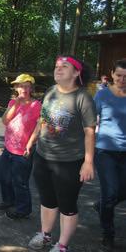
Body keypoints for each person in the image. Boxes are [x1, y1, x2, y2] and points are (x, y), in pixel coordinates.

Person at [25, 55, 96, 252]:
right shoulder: (50, 92)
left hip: (69, 161)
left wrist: (88, 162)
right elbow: (43, 120)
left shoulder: (83, 97)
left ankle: (62, 245)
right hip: (43, 156)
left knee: (67, 204)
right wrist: (32, 140)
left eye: (64, 66)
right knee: (47, 200)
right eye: (57, 66)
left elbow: (90, 131)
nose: (58, 69)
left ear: (76, 72)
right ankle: (45, 235)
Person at [0, 74, 41, 219]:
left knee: (20, 181)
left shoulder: (36, 105)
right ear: (16, 88)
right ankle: (9, 201)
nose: (23, 89)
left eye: (27, 86)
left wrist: (30, 144)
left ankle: (23, 209)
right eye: (20, 86)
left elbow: (38, 127)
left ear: (31, 88)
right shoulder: (12, 102)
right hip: (9, 147)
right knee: (3, 177)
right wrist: (16, 104)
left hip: (23, 150)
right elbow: (4, 120)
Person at [93, 59, 126, 250]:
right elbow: (89, 120)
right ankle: (108, 233)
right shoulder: (102, 95)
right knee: (110, 192)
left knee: (116, 194)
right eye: (119, 75)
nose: (122, 79)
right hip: (105, 151)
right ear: (112, 74)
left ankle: (103, 204)